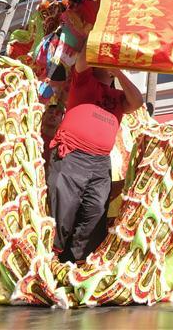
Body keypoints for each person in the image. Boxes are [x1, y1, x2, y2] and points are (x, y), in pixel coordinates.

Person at [47, 54, 144, 263]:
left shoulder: (119, 97)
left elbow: (138, 101)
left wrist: (118, 71)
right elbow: (83, 60)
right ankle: (50, 260)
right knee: (62, 210)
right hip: (72, 154)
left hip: (100, 163)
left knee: (95, 212)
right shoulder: (83, 80)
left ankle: (76, 264)